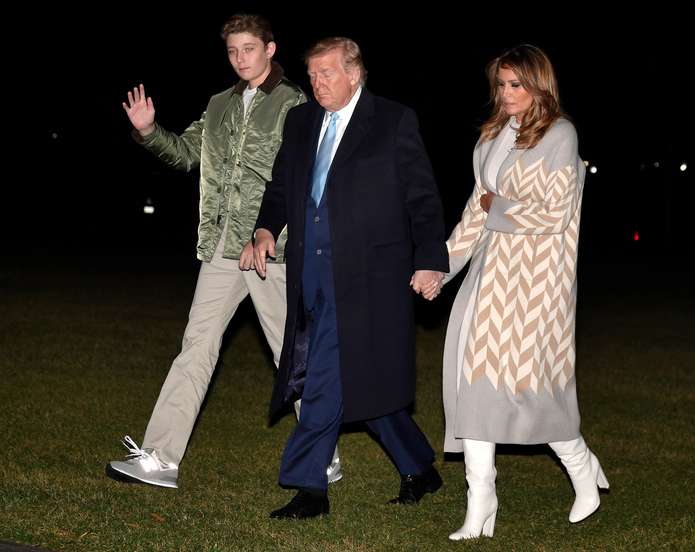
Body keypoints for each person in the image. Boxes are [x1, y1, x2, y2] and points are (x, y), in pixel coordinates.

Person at [105, 13, 344, 489]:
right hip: (221, 248)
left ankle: (325, 452)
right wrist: (150, 131)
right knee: (195, 346)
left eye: (249, 49)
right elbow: (186, 154)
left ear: (270, 49)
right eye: (233, 51)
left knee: (287, 352)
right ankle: (161, 457)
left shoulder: (294, 103)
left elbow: (301, 180)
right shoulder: (218, 105)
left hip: (270, 251)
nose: (240, 59)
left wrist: (272, 231)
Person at [252, 37, 448, 519]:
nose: (317, 84)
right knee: (364, 380)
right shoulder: (300, 121)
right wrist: (263, 227)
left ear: (354, 73)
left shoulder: (392, 121)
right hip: (310, 273)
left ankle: (308, 488)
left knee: (323, 375)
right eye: (313, 75)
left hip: (369, 277)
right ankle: (419, 467)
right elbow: (280, 187)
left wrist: (430, 258)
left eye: (328, 74)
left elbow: (421, 197)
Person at [438, 45, 608, 539]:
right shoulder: (491, 136)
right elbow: (476, 211)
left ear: (539, 84)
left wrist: (498, 206)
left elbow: (555, 215)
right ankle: (480, 502)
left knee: (534, 387)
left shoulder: (560, 134)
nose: (507, 94)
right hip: (489, 278)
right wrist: (440, 268)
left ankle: (582, 471)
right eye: (501, 85)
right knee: (473, 382)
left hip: (537, 282)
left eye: (517, 84)